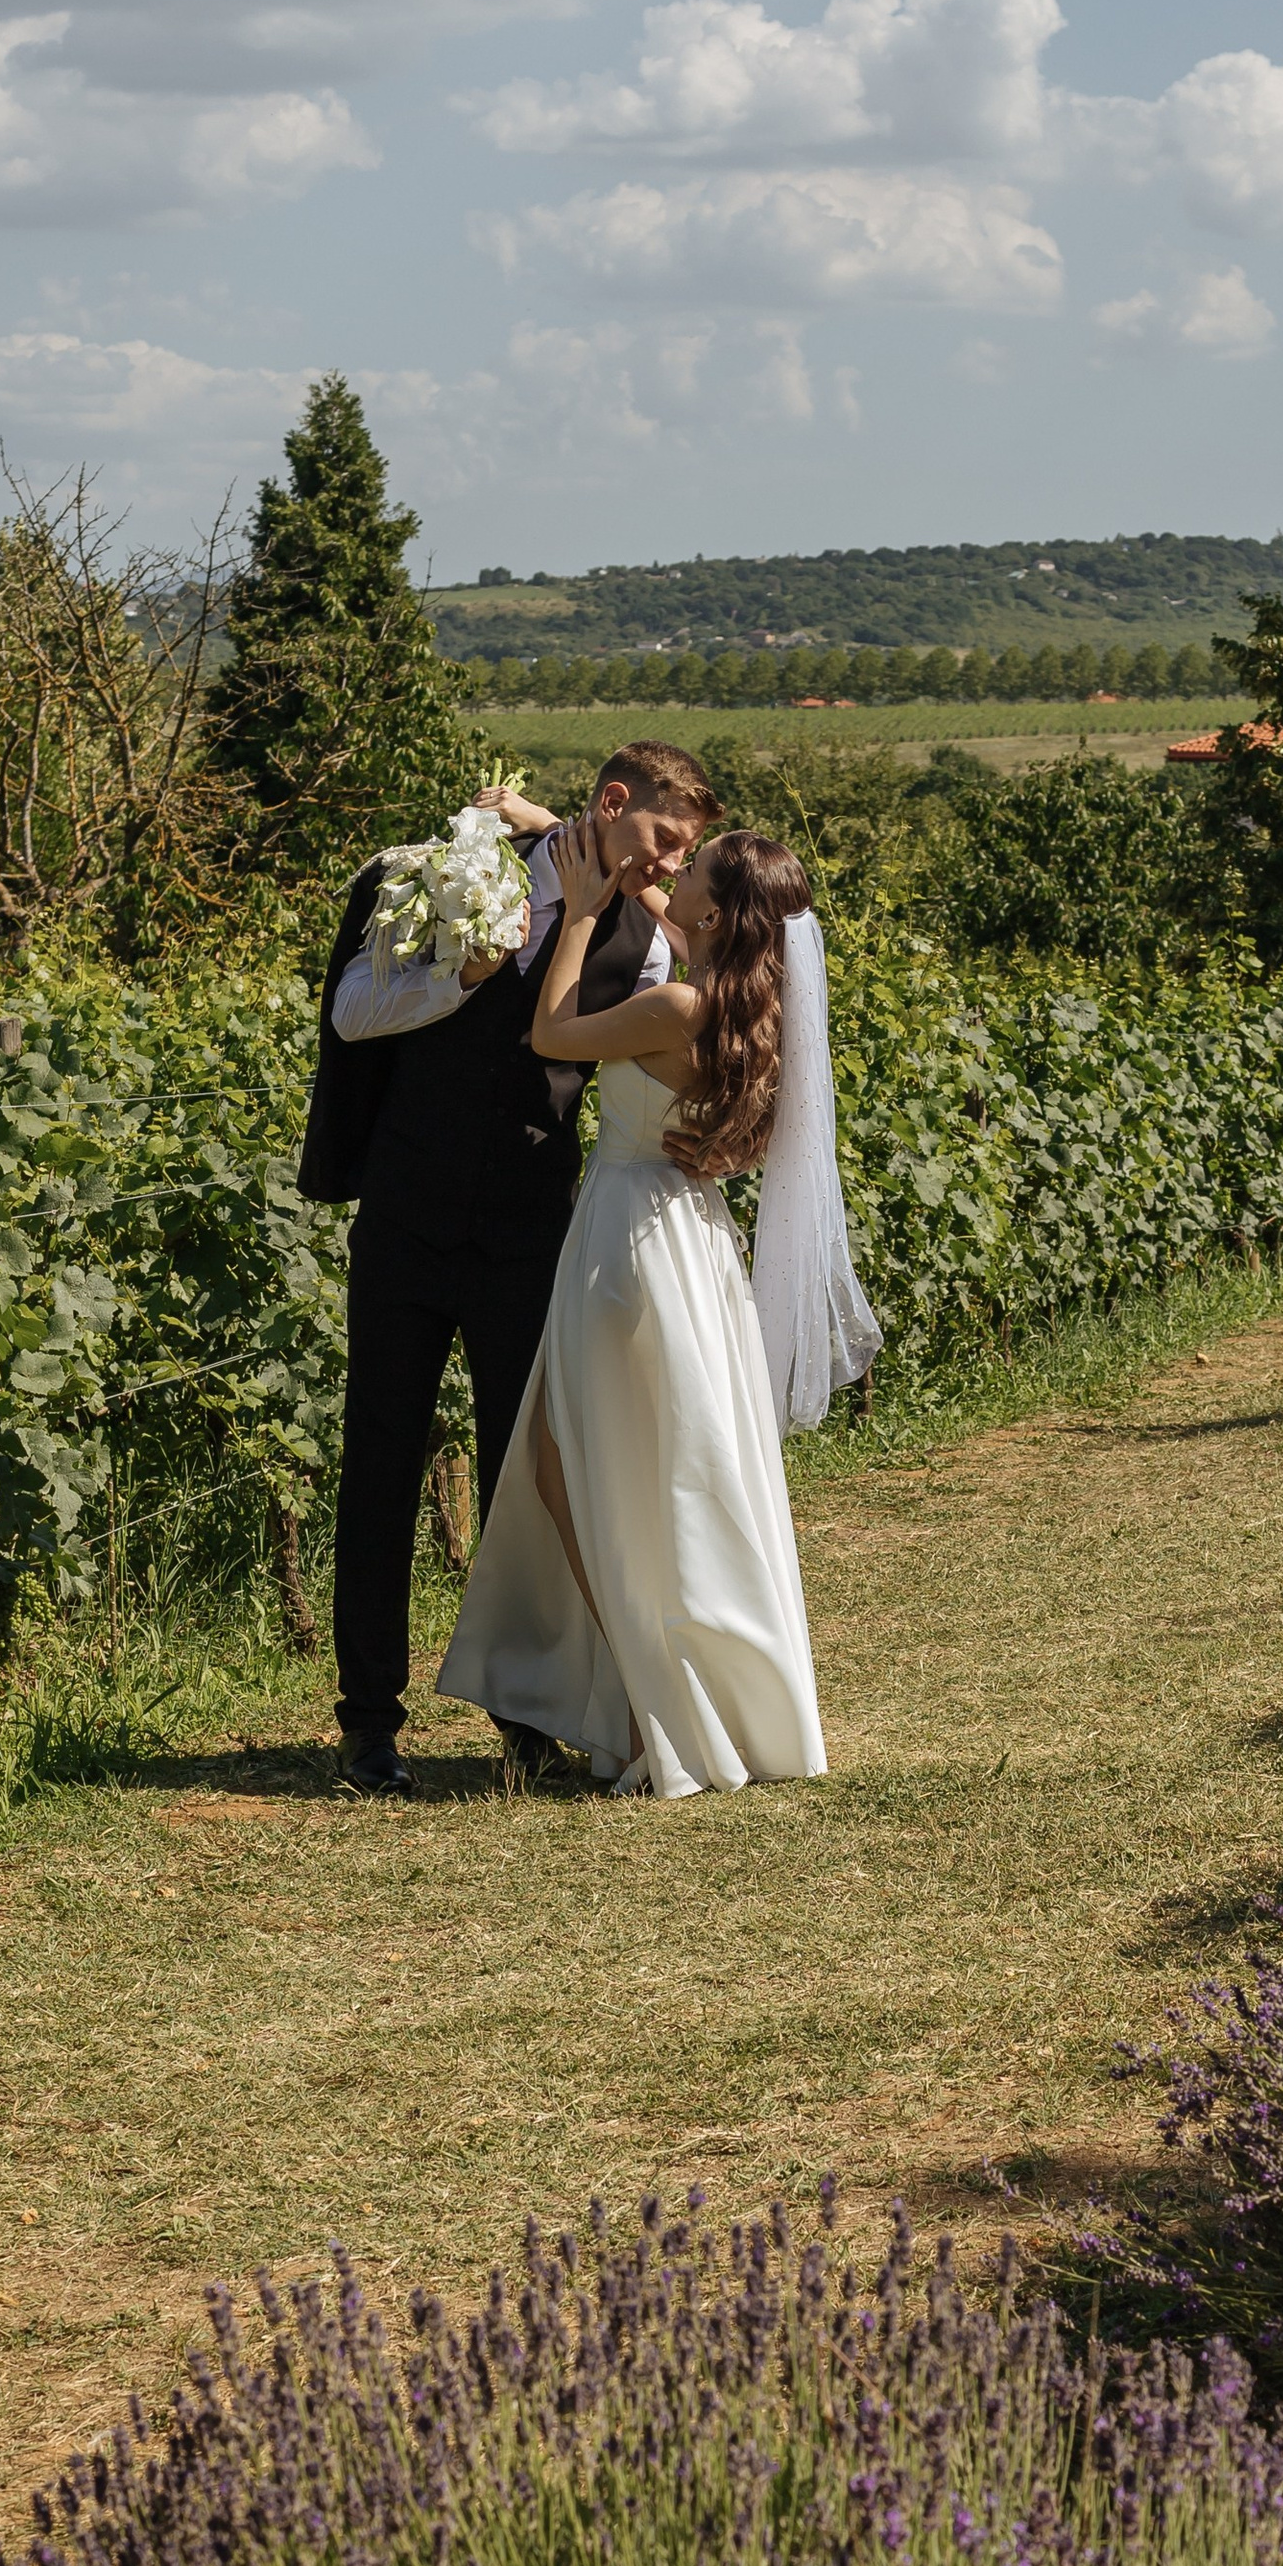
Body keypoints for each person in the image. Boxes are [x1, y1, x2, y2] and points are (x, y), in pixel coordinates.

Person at [298, 741, 720, 1796]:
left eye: (685, 851)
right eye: (665, 839)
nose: (671, 864)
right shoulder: (443, 874)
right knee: (381, 1462)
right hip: (406, 1217)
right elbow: (352, 1013)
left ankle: (526, 1719)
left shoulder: (646, 945)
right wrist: (462, 976)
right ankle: (367, 1724)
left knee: (521, 1480)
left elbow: (711, 969)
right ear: (613, 804)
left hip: (534, 1233)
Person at [440, 821, 880, 1797]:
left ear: (714, 915)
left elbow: (553, 1033)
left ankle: (653, 1712)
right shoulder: (742, 1006)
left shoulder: (673, 1006)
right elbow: (673, 914)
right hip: (692, 1236)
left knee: (584, 1470)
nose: (674, 873)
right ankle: (672, 1698)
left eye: (695, 870)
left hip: (626, 1241)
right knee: (659, 1469)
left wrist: (577, 915)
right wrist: (576, 841)